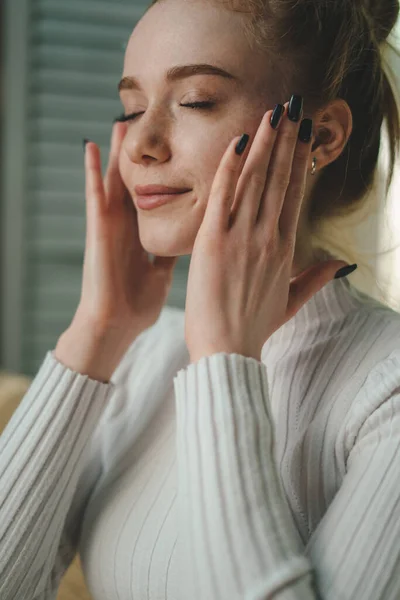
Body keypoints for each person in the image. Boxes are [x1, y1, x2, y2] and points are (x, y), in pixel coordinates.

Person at [1, 0, 400, 598]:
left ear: (324, 133)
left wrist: (223, 358)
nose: (141, 143)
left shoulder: (386, 390)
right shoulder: (141, 352)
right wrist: (99, 328)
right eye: (132, 108)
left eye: (196, 100)